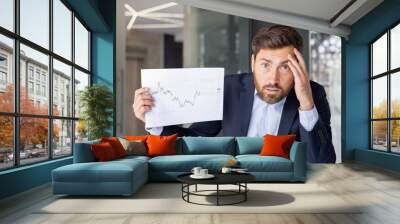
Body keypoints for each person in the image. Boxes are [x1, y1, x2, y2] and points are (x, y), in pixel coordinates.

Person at [132, 25, 336, 163]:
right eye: (265, 65)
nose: (273, 79)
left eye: (285, 67)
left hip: (288, 184)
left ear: (298, 67)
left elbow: (323, 162)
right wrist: (156, 120)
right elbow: (195, 138)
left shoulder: (313, 94)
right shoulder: (227, 89)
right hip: (235, 178)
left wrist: (306, 104)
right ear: (252, 63)